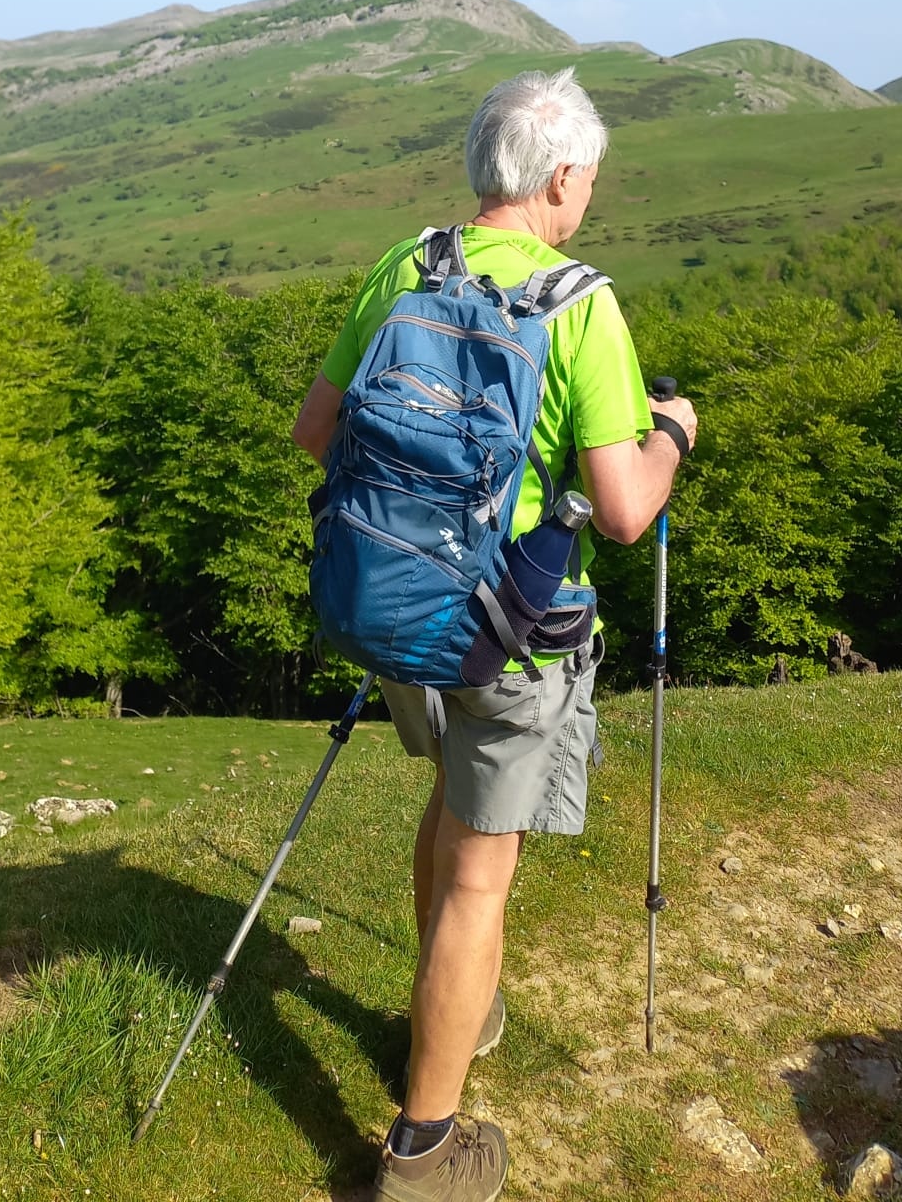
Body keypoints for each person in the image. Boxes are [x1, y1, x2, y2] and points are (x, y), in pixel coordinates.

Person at [292, 66, 698, 1202]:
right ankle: (425, 1151)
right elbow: (623, 511)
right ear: (561, 177)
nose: (592, 194)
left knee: (450, 806)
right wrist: (672, 434)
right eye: (591, 177)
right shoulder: (582, 306)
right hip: (516, 631)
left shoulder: (408, 264)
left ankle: (453, 1019)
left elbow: (317, 431)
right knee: (481, 876)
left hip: (401, 611)